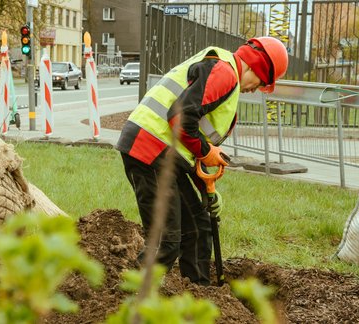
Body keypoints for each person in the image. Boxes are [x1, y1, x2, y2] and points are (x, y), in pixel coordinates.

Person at [116, 37, 288, 285]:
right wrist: (207, 151)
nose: (257, 88)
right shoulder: (225, 73)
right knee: (166, 242)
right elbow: (180, 119)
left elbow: (194, 142)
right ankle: (128, 301)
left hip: (167, 156)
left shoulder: (225, 76)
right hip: (149, 149)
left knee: (198, 227)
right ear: (255, 66)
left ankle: (198, 296)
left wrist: (206, 188)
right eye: (261, 82)